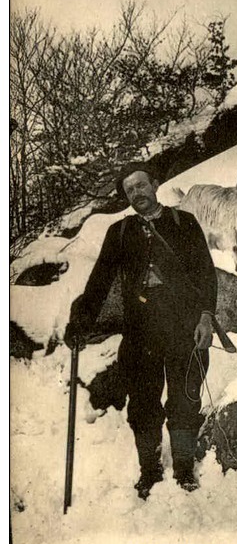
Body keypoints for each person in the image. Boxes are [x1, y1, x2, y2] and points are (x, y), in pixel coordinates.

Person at [64, 162, 217, 499]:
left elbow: (206, 273)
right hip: (140, 332)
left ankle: (183, 467)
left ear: (156, 184)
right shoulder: (119, 233)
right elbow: (99, 282)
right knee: (143, 404)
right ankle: (149, 470)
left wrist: (206, 318)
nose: (136, 193)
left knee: (185, 398)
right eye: (129, 190)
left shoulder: (183, 222)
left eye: (140, 185)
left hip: (183, 327)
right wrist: (80, 322)